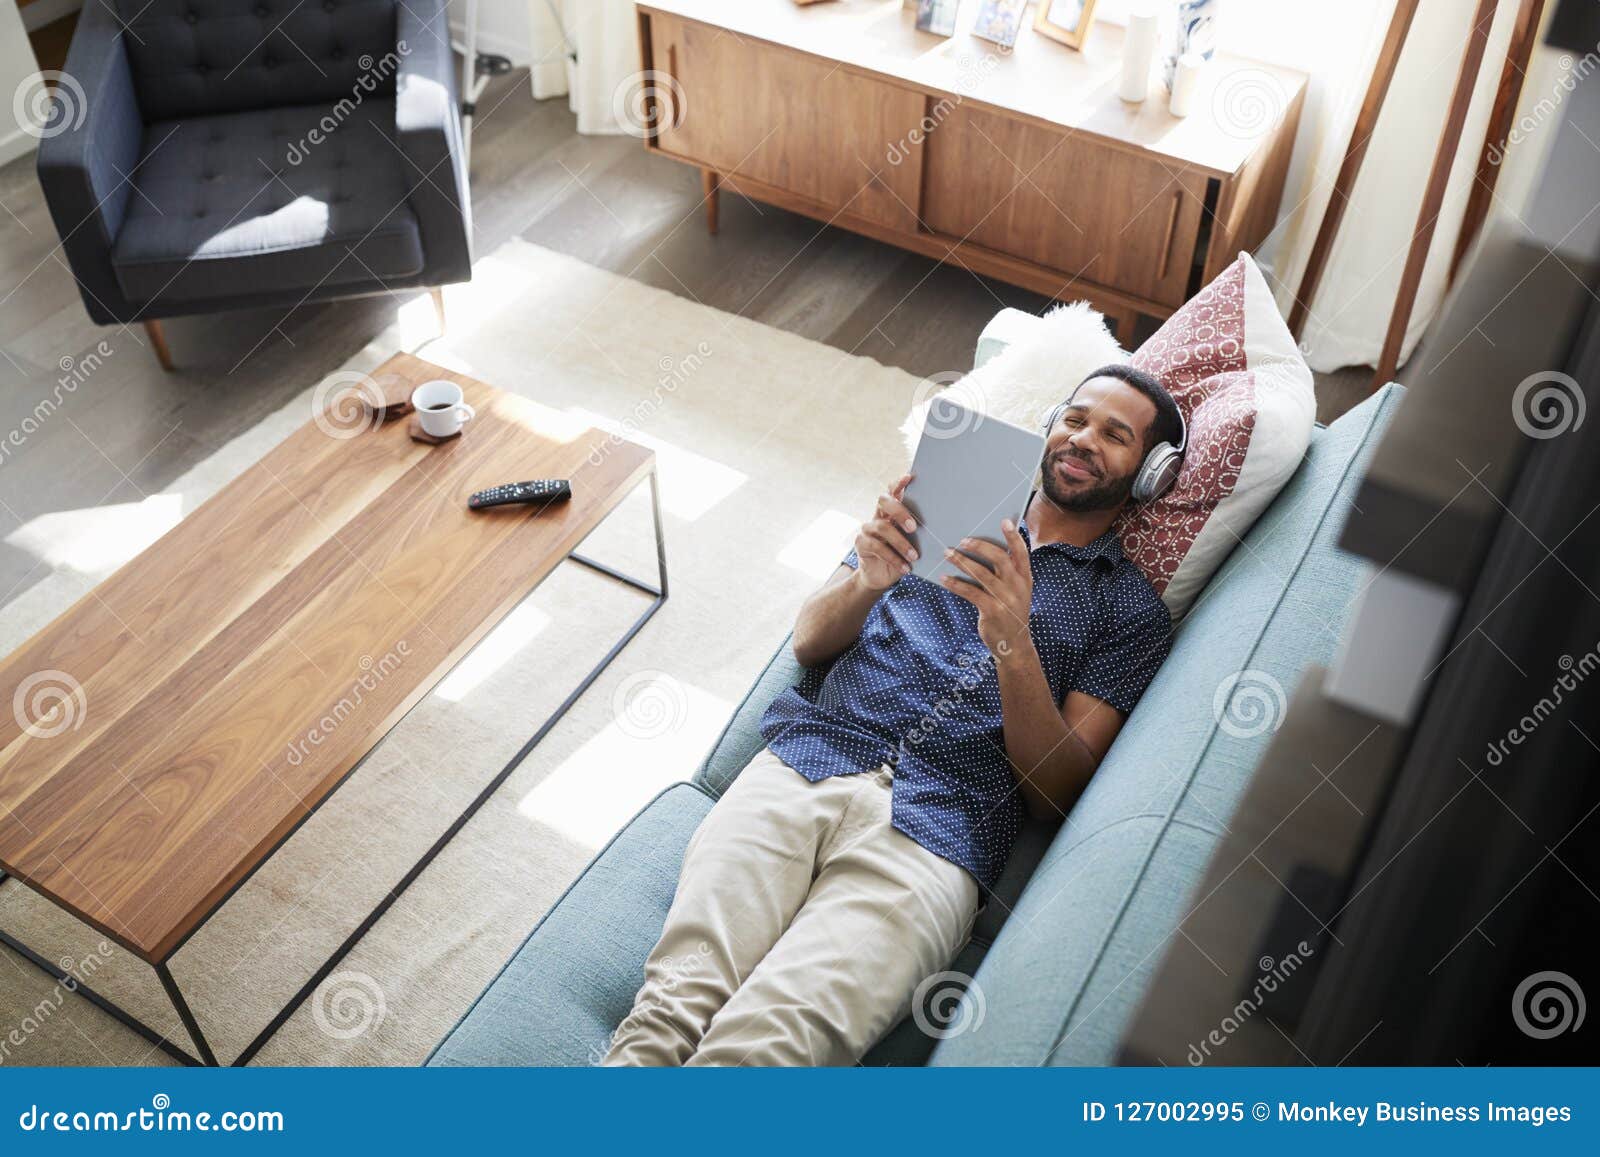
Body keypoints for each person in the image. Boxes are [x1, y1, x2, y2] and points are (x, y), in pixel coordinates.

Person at [604, 364, 1181, 1066]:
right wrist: (868, 579)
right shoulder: (948, 499)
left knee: (760, 1053)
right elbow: (811, 638)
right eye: (1076, 417)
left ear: (1150, 473)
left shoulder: (1131, 611)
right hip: (806, 763)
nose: (1083, 438)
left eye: (1114, 435)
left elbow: (1057, 792)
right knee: (667, 1011)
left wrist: (1012, 643)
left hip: (939, 836)